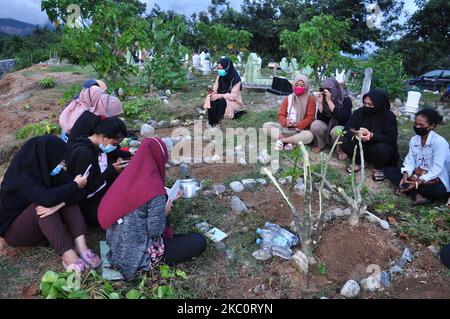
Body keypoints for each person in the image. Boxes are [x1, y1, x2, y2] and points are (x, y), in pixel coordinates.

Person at [98, 137, 207, 281]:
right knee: (198, 241)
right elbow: (155, 231)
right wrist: (165, 211)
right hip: (136, 256)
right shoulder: (154, 191)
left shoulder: (128, 174)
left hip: (117, 245)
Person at [0, 135, 100, 272]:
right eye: (58, 161)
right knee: (42, 207)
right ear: (46, 157)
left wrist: (59, 204)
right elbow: (47, 198)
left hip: (41, 225)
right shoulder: (19, 178)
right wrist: (75, 185)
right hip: (16, 231)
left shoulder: (48, 171)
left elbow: (76, 193)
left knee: (65, 198)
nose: (61, 165)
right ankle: (68, 255)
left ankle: (81, 246)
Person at [66, 118, 128, 227]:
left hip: (97, 195)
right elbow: (86, 191)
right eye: (114, 143)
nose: (114, 147)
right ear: (104, 137)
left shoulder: (94, 146)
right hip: (86, 204)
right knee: (121, 217)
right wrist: (111, 171)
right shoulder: (84, 154)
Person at [384, 109, 450, 205]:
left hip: (434, 178)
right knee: (389, 171)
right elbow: (410, 160)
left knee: (437, 192)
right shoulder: (414, 140)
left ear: (432, 126)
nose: (417, 127)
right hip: (415, 174)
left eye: (421, 125)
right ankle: (417, 195)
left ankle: (412, 191)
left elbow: (437, 169)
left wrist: (418, 181)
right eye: (416, 124)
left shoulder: (439, 142)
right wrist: (406, 175)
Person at [341, 88, 399, 181]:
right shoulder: (360, 112)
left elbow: (391, 139)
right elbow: (347, 128)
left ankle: (378, 167)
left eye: (370, 105)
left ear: (379, 104)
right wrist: (356, 136)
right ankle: (359, 162)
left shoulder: (389, 117)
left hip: (377, 149)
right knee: (343, 140)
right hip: (361, 146)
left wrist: (372, 136)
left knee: (383, 148)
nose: (366, 106)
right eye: (365, 103)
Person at [262, 75, 315, 150]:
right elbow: (281, 115)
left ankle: (283, 141)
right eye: (296, 85)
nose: (299, 87)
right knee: (266, 125)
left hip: (300, 130)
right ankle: (286, 139)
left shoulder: (310, 100)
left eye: (302, 85)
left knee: (309, 136)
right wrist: (286, 122)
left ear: (306, 87)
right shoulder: (288, 98)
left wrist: (297, 124)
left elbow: (310, 118)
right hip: (285, 128)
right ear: (293, 85)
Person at [310, 77, 352, 158]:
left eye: (329, 89)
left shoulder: (346, 100)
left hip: (341, 126)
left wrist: (330, 102)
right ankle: (320, 144)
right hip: (328, 127)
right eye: (323, 89)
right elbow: (320, 118)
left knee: (337, 131)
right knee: (316, 124)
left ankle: (340, 150)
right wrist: (320, 103)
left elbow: (343, 119)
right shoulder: (325, 99)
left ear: (336, 89)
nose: (326, 92)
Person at [59, 85, 124, 137]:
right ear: (93, 98)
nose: (101, 99)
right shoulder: (86, 114)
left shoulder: (79, 105)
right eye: (100, 96)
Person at [204, 57, 244, 127]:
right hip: (222, 99)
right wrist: (212, 94)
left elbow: (232, 96)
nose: (219, 71)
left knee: (221, 101)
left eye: (221, 69)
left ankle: (217, 121)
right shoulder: (219, 77)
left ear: (227, 67)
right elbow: (215, 90)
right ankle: (212, 121)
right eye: (218, 69)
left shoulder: (236, 79)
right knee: (211, 99)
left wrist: (219, 96)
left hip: (234, 102)